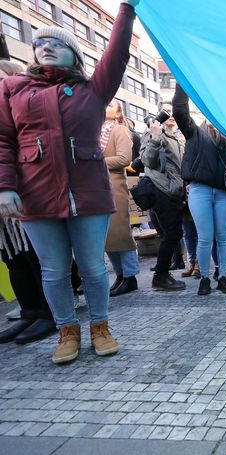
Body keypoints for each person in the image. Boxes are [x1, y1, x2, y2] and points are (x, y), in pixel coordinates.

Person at [0, 1, 138, 364]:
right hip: (36, 195)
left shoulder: (94, 90)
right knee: (54, 269)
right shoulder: (13, 89)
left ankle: (101, 327)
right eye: (41, 43)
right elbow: (4, 140)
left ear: (74, 55)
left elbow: (118, 53)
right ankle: (66, 331)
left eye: (57, 43)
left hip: (88, 194)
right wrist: (6, 186)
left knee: (93, 266)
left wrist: (126, 9)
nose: (47, 47)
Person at [0, 60, 56, 345]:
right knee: (11, 257)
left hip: (22, 189)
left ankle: (50, 312)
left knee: (35, 254)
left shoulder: (23, 100)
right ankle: (30, 311)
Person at [174, 84, 226, 295]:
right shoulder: (193, 131)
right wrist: (182, 81)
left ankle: (222, 276)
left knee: (223, 237)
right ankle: (204, 277)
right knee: (205, 237)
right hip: (200, 190)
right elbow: (179, 109)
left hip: (223, 193)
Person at [141, 99, 186, 291]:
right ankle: (160, 275)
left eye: (173, 111)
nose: (170, 115)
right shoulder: (152, 132)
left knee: (174, 233)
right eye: (166, 111)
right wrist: (155, 137)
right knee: (173, 232)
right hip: (160, 189)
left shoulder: (177, 136)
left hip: (175, 190)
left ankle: (162, 273)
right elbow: (147, 160)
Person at [102, 99, 139, 297]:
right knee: (107, 236)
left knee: (120, 234)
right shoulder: (94, 131)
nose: (104, 106)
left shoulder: (119, 130)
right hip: (97, 188)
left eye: (110, 105)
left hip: (114, 186)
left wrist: (94, 160)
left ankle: (130, 276)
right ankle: (120, 275)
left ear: (117, 113)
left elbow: (125, 159)